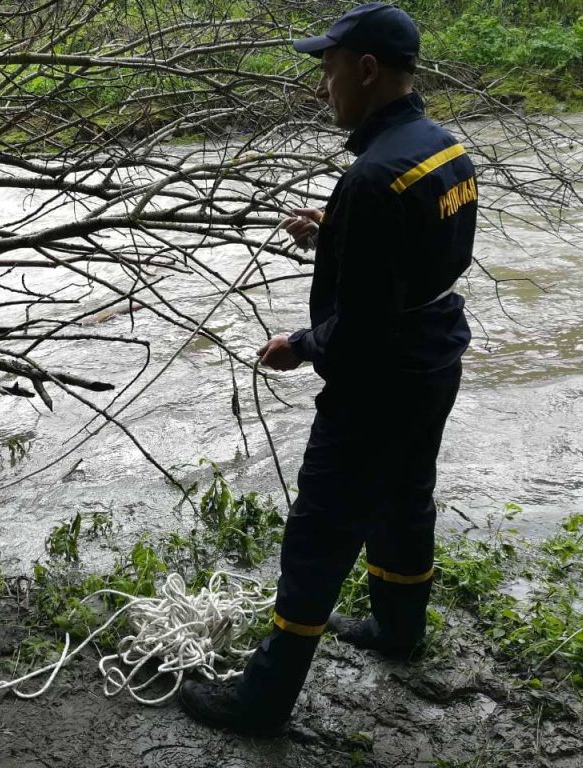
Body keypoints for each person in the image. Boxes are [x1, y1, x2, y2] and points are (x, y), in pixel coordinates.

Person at [180, 3, 476, 736]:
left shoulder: (374, 177)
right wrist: (335, 231)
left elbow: (363, 328)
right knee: (405, 497)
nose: (322, 88)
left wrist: (300, 345)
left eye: (330, 70)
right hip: (435, 356)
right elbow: (418, 257)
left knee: (320, 531)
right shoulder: (441, 147)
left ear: (367, 70)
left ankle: (261, 702)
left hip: (380, 382)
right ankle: (399, 630)